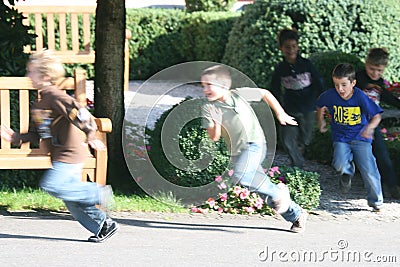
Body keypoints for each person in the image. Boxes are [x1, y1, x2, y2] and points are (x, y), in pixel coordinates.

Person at [0, 49, 119, 242]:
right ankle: (104, 225)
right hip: (59, 156)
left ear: (45, 76)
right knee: (72, 200)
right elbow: (36, 133)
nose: (28, 75)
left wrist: (90, 134)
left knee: (52, 185)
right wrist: (14, 137)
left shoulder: (55, 96)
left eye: (31, 72)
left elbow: (79, 112)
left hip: (70, 153)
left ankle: (97, 193)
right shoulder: (39, 103)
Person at [201, 65, 308, 233]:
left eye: (209, 85)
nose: (205, 89)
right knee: (258, 188)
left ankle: (279, 192)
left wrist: (280, 114)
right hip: (237, 152)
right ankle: (296, 215)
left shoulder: (239, 94)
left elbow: (265, 93)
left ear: (223, 85)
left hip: (254, 144)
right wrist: (216, 122)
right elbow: (214, 137)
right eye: (203, 86)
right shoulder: (208, 109)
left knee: (241, 175)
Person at [317, 63, 384, 212]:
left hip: (361, 139)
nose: (340, 89)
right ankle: (347, 171)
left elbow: (377, 116)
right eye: (336, 85)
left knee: (369, 170)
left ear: (353, 83)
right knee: (339, 163)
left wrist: (369, 128)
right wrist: (321, 122)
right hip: (341, 138)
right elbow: (320, 105)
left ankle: (376, 201)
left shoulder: (360, 96)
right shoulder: (330, 95)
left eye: (344, 85)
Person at [270, 29, 325, 168]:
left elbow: (319, 84)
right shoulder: (280, 69)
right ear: (281, 48)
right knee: (287, 138)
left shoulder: (307, 64)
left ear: (298, 46)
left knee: (306, 138)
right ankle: (297, 165)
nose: (291, 50)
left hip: (308, 106)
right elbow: (274, 90)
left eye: (294, 46)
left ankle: (300, 150)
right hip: (290, 107)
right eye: (287, 47)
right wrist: (278, 109)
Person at [356, 47, 400, 199]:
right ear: (366, 63)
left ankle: (392, 186)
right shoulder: (357, 78)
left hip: (372, 124)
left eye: (379, 70)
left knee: (382, 154)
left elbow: (387, 97)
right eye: (372, 69)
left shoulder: (379, 83)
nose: (375, 73)